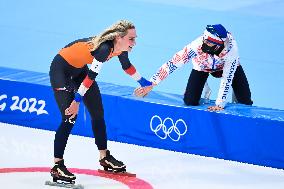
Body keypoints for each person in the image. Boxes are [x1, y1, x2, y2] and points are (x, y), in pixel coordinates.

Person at [49, 20, 152, 183]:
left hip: (79, 70)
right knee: (69, 118)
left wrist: (144, 83)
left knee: (97, 113)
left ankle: (104, 157)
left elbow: (127, 67)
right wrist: (76, 100)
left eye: (135, 38)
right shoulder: (104, 49)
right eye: (131, 39)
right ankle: (57, 165)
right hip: (61, 70)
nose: (134, 42)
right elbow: (91, 77)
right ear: (119, 37)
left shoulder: (121, 48)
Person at [135, 24, 253, 111]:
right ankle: (200, 85)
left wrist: (220, 104)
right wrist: (152, 83)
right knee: (190, 101)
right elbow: (173, 63)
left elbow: (227, 78)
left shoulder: (232, 50)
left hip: (226, 67)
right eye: (204, 39)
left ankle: (237, 94)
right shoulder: (196, 46)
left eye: (208, 43)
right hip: (203, 66)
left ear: (218, 45)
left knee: (245, 101)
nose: (203, 43)